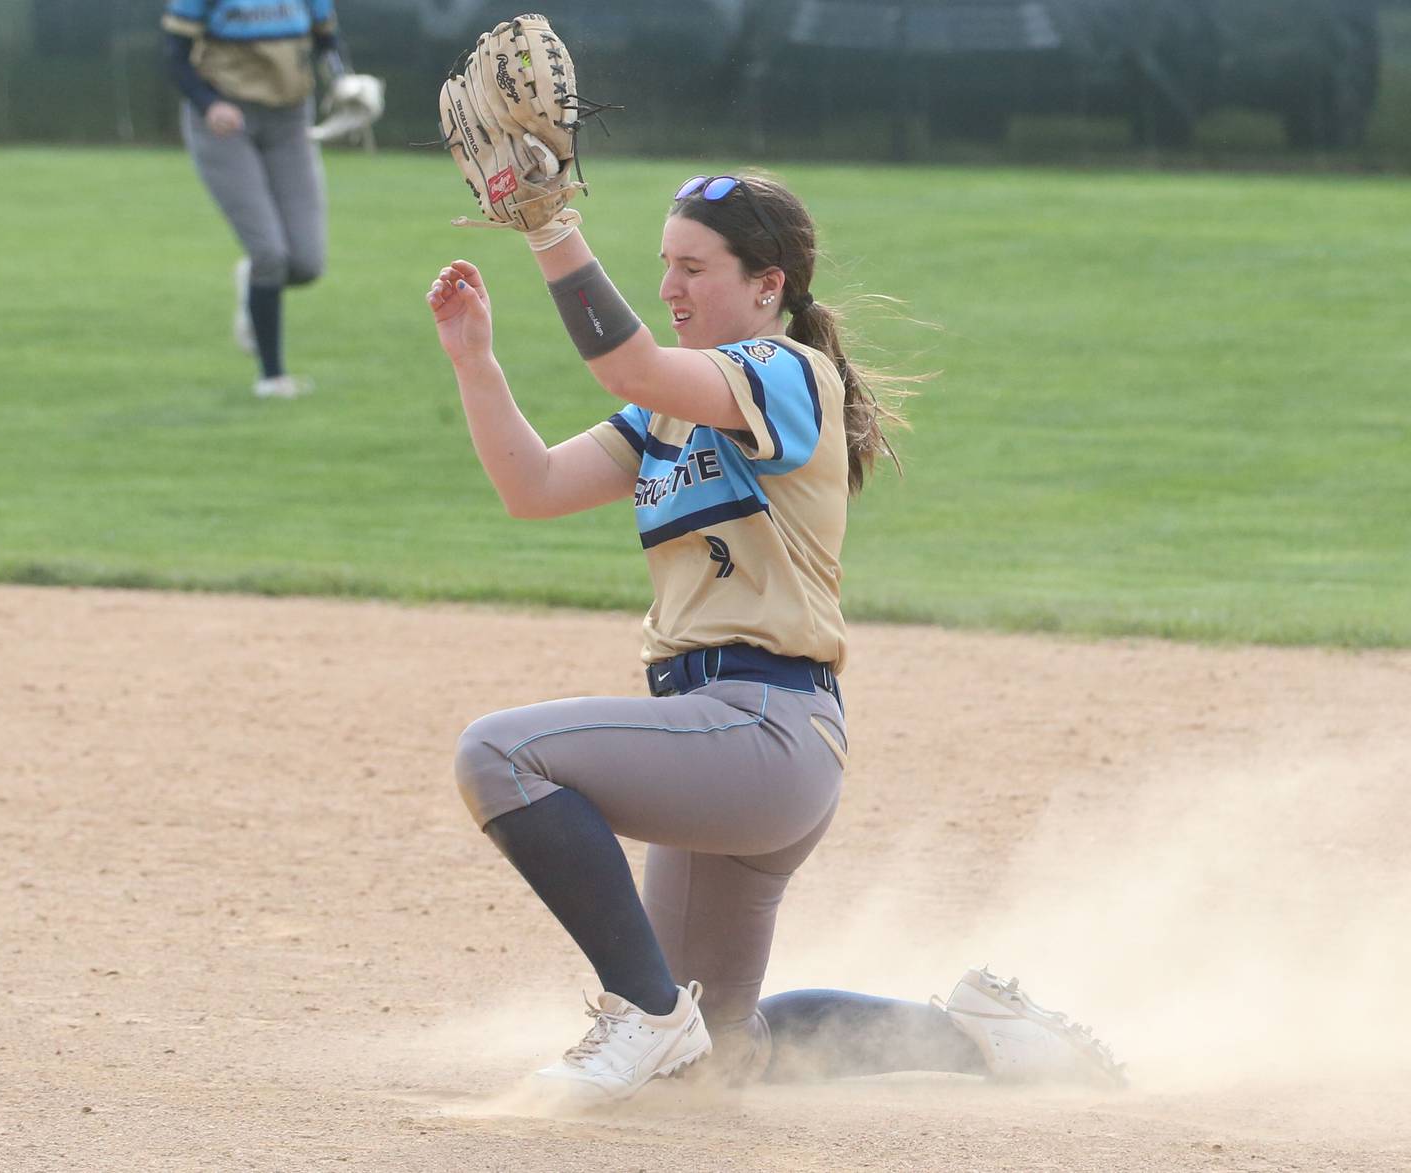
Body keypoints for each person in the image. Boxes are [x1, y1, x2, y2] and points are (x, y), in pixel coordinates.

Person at [427, 173, 1122, 1100]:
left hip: (766, 732)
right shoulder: (670, 411)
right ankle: (978, 1037)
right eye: (664, 266)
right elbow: (535, 488)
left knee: (500, 755)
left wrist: (551, 229)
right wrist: (476, 361)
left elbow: (628, 363)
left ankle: (643, 1012)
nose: (670, 288)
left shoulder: (789, 372)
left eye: (693, 267)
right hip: (720, 742)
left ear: (768, 284)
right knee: (717, 1059)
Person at [162, 0, 348, 399]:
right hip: (228, 121)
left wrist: (344, 83)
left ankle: (252, 282)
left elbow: (327, 43)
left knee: (307, 263)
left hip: (291, 119)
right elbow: (175, 56)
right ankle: (271, 378)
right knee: (269, 255)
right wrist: (209, 103)